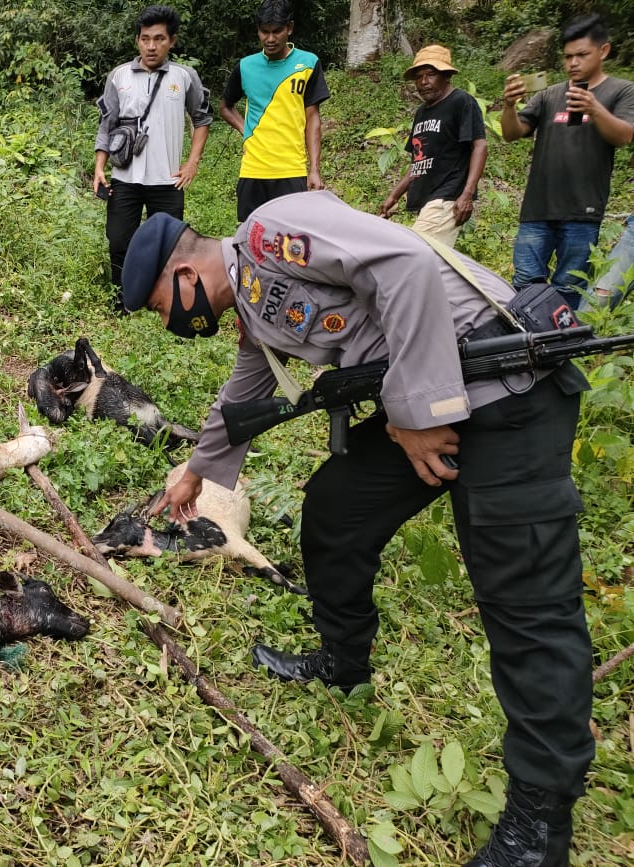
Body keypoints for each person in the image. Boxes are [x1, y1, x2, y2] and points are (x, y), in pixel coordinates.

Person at [121, 192, 593, 867]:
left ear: (186, 277)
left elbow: (404, 262)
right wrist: (196, 471)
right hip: (430, 403)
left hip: (506, 383)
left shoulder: (268, 234)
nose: (172, 322)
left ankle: (538, 827)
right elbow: (242, 398)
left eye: (165, 309)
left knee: (525, 603)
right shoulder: (256, 308)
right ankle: (344, 665)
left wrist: (413, 408)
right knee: (335, 510)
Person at [502, 13, 634, 310]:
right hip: (537, 209)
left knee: (569, 289)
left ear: (604, 51)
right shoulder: (550, 94)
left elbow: (624, 136)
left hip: (583, 212)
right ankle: (524, 344)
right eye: (568, 57)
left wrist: (594, 108)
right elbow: (512, 133)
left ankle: (561, 349)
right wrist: (509, 105)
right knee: (524, 283)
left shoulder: (621, 91)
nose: (573, 63)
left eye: (582, 55)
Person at [93, 4, 212, 309]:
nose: (151, 46)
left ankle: (168, 302)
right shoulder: (119, 76)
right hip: (125, 178)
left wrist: (192, 163)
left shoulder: (184, 77)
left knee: (172, 245)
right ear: (137, 40)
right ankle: (122, 300)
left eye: (159, 39)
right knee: (119, 241)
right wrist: (99, 167)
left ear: (171, 41)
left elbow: (202, 119)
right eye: (145, 38)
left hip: (167, 179)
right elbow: (107, 125)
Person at [219, 0, 329, 223]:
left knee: (292, 241)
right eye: (264, 32)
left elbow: (312, 118)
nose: (270, 39)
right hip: (252, 170)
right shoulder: (246, 66)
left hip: (291, 170)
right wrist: (247, 131)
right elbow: (225, 107)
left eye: (277, 31)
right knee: (251, 238)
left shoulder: (308, 63)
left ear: (289, 28)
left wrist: (314, 169)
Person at [379, 45, 487, 246]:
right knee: (432, 263)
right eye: (418, 77)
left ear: (446, 76)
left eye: (431, 75)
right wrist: (393, 197)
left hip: (447, 198)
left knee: (415, 254)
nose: (423, 82)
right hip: (427, 200)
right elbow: (417, 163)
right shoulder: (422, 112)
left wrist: (467, 194)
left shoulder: (461, 102)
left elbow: (479, 146)